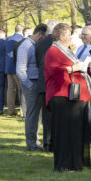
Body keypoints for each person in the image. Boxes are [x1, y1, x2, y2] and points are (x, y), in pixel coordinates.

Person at [43, 23, 91, 172]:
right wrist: (74, 68)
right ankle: (66, 163)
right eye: (69, 34)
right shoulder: (53, 51)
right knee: (65, 131)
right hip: (62, 95)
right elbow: (54, 71)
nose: (71, 37)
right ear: (62, 36)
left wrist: (84, 66)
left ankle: (76, 162)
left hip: (74, 95)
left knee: (75, 130)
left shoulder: (65, 50)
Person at [17, 24, 47, 150]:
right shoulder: (25, 46)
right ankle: (31, 143)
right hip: (31, 83)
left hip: (37, 82)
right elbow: (20, 70)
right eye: (45, 36)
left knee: (38, 114)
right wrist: (29, 86)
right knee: (32, 114)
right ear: (40, 34)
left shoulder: (35, 45)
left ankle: (36, 140)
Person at [33, 20, 57, 152]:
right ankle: (55, 142)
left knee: (46, 116)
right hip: (54, 83)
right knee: (56, 114)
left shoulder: (40, 44)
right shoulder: (57, 44)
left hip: (43, 82)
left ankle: (47, 143)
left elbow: (38, 62)